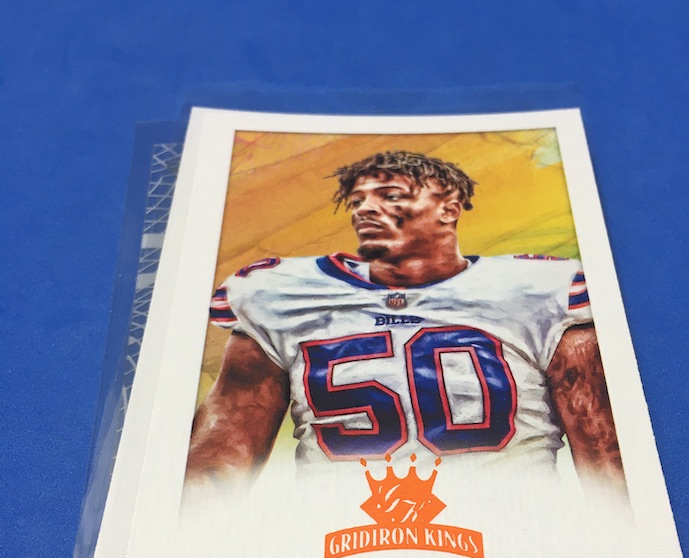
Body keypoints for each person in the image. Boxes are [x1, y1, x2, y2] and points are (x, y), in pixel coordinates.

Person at [186, 150, 625, 495]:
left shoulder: (541, 289)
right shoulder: (278, 294)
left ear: (449, 209)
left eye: (390, 196)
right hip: (340, 532)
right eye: (358, 201)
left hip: (510, 526)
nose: (365, 210)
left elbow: (603, 446)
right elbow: (223, 452)